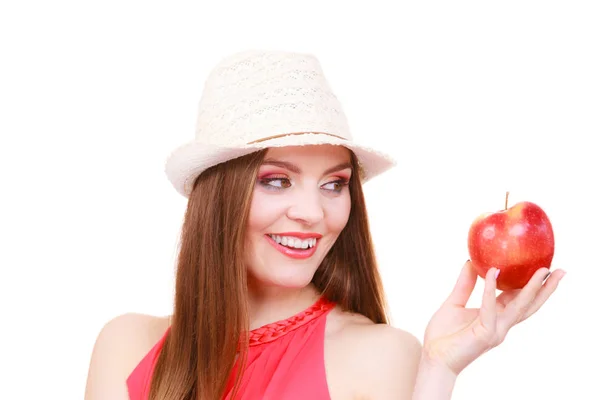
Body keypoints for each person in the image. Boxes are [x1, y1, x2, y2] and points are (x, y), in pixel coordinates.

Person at [84, 50, 565, 400]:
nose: (313, 213)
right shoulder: (125, 346)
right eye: (276, 181)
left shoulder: (377, 356)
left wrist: (436, 372)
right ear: (219, 199)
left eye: (334, 185)